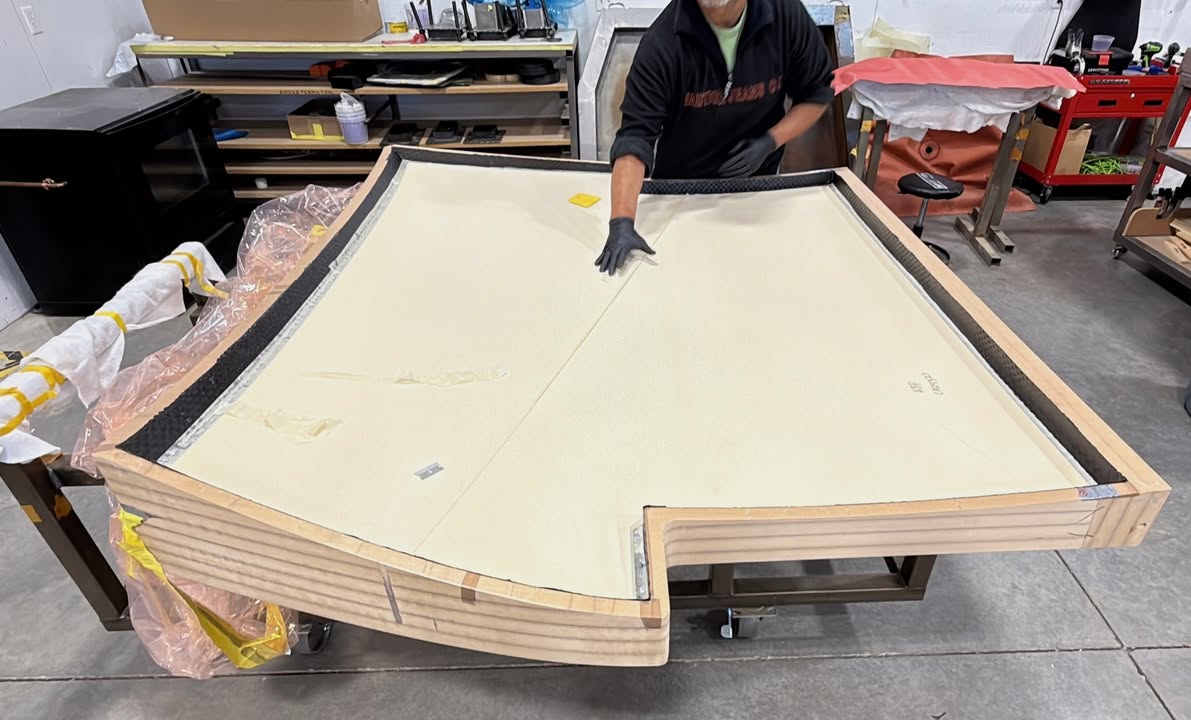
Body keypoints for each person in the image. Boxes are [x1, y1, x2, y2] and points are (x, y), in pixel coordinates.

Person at [595, 0, 836, 274]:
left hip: (757, 191)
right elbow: (634, 140)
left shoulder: (784, 16)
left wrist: (770, 141)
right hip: (681, 195)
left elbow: (816, 94)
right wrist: (622, 222)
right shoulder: (663, 43)